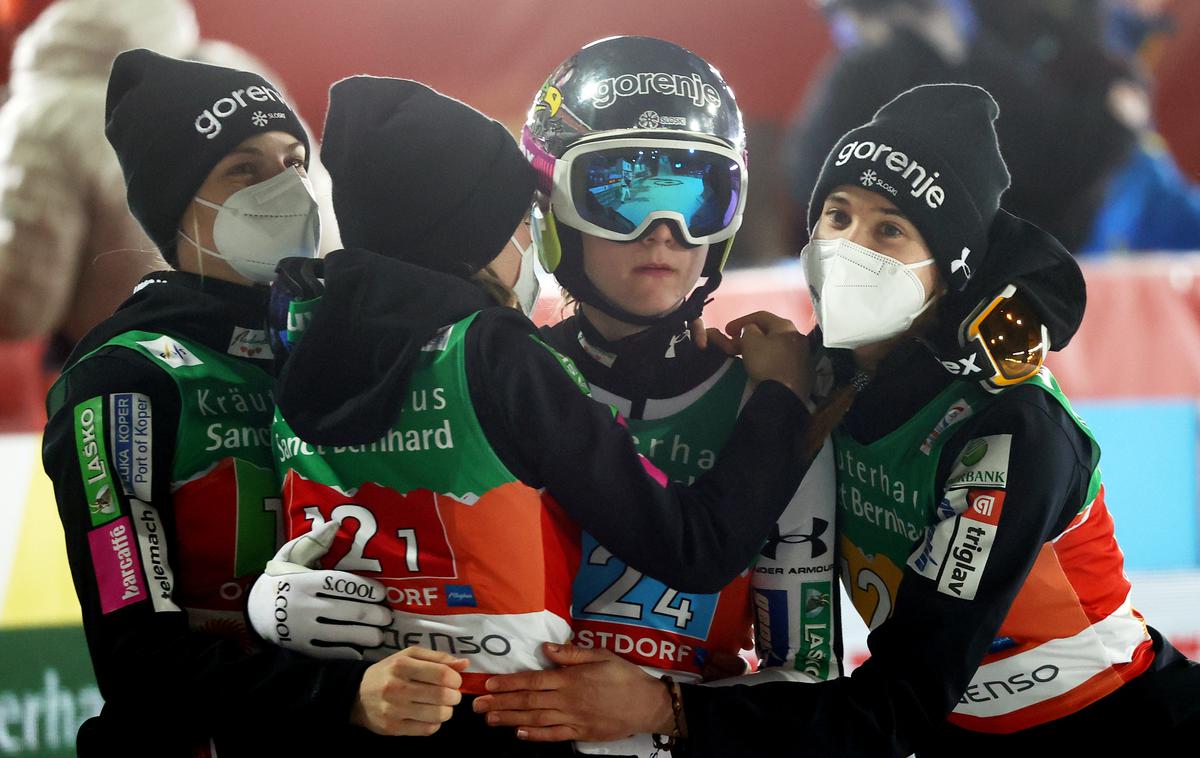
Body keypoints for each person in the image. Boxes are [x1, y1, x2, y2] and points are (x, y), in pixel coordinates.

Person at [475, 83, 1200, 755]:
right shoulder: (817, 375)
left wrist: (666, 709)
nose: (850, 248)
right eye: (839, 216)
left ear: (949, 268)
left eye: (890, 232)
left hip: (1122, 724)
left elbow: (894, 706)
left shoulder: (1008, 427)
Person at [254, 74, 818, 754]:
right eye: (521, 221)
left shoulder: (296, 341)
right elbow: (699, 550)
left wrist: (272, 619)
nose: (660, 235)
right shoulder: (504, 356)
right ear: (479, 233)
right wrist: (782, 399)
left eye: (695, 197)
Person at [518, 36, 841, 757]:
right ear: (552, 207)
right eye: (623, 191)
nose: (663, 231)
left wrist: (665, 711)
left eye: (697, 194)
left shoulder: (769, 403)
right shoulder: (505, 379)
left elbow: (806, 677)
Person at [39, 50, 363, 756]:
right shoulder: (123, 378)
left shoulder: (334, 353)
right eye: (244, 170)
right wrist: (347, 699)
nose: (287, 188)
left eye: (293, 161)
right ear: (179, 201)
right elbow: (139, 664)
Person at [0, 0, 339, 368]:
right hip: (299, 355)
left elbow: (21, 308)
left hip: (135, 376)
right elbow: (327, 237)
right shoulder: (242, 77)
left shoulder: (44, 114)